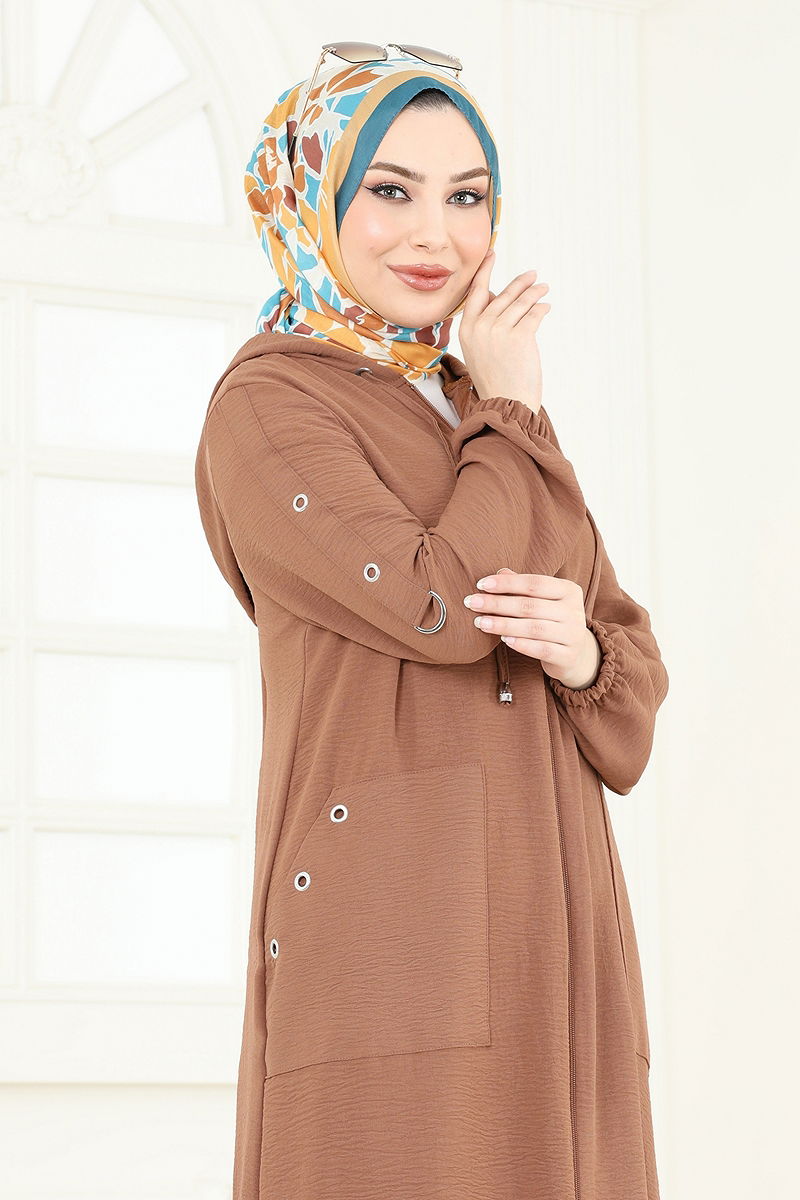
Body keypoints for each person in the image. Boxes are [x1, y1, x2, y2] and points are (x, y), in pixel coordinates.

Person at [194, 47, 669, 1200]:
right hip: (394, 923)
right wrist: (510, 407)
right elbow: (437, 604)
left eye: (465, 197)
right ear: (312, 199)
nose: (434, 235)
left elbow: (628, 677)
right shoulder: (269, 403)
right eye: (389, 190)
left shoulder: (475, 404)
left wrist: (579, 651)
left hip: (549, 925)